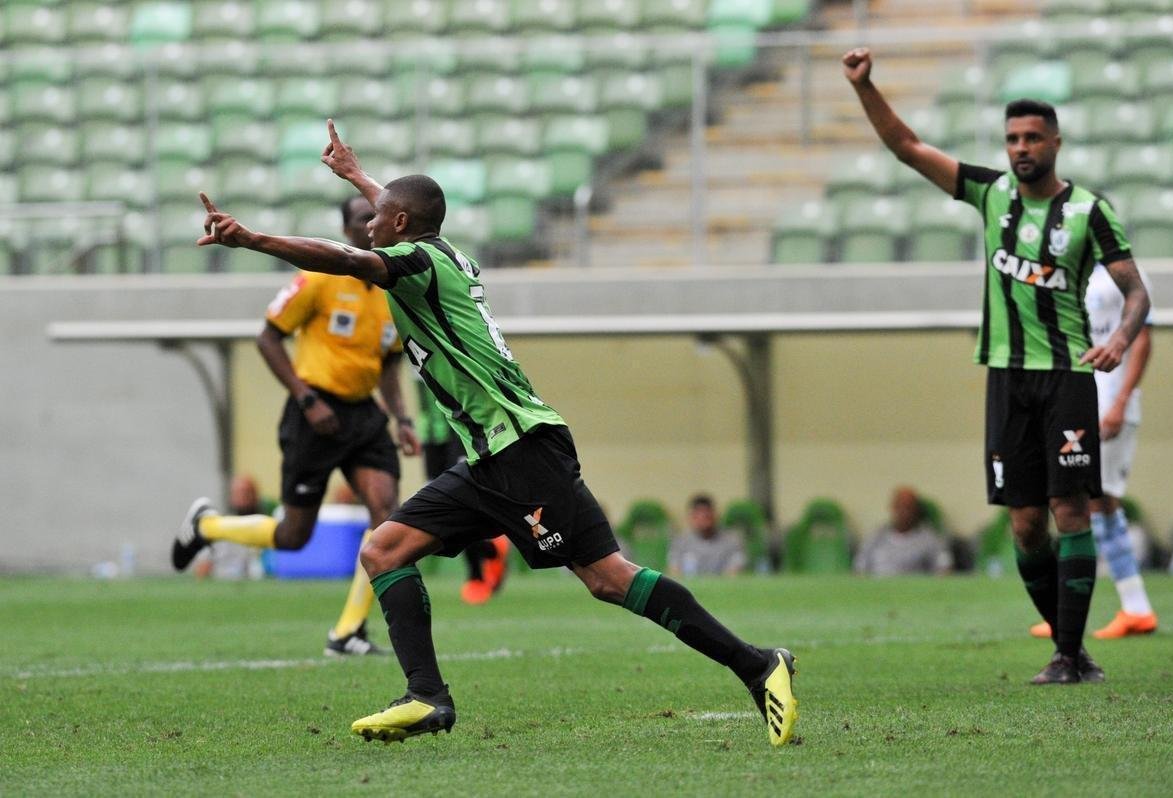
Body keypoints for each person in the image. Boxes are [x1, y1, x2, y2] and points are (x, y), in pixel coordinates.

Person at [184, 119, 798, 748]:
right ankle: (426, 697)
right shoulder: (442, 252)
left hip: (520, 447)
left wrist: (253, 238)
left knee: (607, 579)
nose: (365, 223)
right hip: (488, 457)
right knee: (383, 549)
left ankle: (757, 665)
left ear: (398, 227)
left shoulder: (414, 262)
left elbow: (345, 259)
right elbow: (394, 215)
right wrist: (359, 176)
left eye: (376, 216)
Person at [844, 49, 1150, 684]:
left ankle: (1067, 654)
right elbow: (906, 147)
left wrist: (1121, 337)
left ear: (1056, 143)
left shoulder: (1089, 211)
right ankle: (1074, 647)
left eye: (1033, 136)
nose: (1021, 147)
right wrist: (865, 85)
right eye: (1012, 138)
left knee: (1070, 511)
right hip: (1006, 378)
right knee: (1025, 522)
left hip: (1066, 376)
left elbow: (1138, 292)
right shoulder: (989, 194)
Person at [171, 195, 421, 657]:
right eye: (364, 219)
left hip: (364, 415)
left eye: (377, 217)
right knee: (293, 536)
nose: (372, 225)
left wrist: (402, 418)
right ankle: (208, 528)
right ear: (349, 231)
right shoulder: (318, 280)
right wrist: (306, 398)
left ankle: (347, 632)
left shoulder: (393, 293)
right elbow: (267, 338)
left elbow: (388, 366)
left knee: (386, 514)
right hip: (314, 414)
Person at [1031, 264, 1156, 639]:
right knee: (1082, 501)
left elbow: (1144, 340)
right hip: (1079, 402)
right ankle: (1112, 609)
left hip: (1110, 406)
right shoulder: (1072, 270)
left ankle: (1128, 609)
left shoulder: (1126, 275)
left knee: (1099, 503)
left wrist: (1121, 401)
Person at [417, 382, 511, 605]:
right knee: (441, 507)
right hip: (430, 432)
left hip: (459, 425)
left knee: (462, 498)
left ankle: (475, 574)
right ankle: (490, 550)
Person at [854, 487, 952, 576]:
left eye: (909, 507)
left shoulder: (930, 539)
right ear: (892, 508)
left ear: (917, 510)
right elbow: (859, 569)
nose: (904, 512)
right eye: (900, 506)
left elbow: (944, 570)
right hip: (875, 591)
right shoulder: (876, 536)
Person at [668, 494, 747, 577]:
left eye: (706, 515)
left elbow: (735, 570)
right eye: (698, 515)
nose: (702, 519)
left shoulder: (732, 541)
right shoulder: (681, 542)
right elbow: (674, 571)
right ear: (691, 517)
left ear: (715, 515)